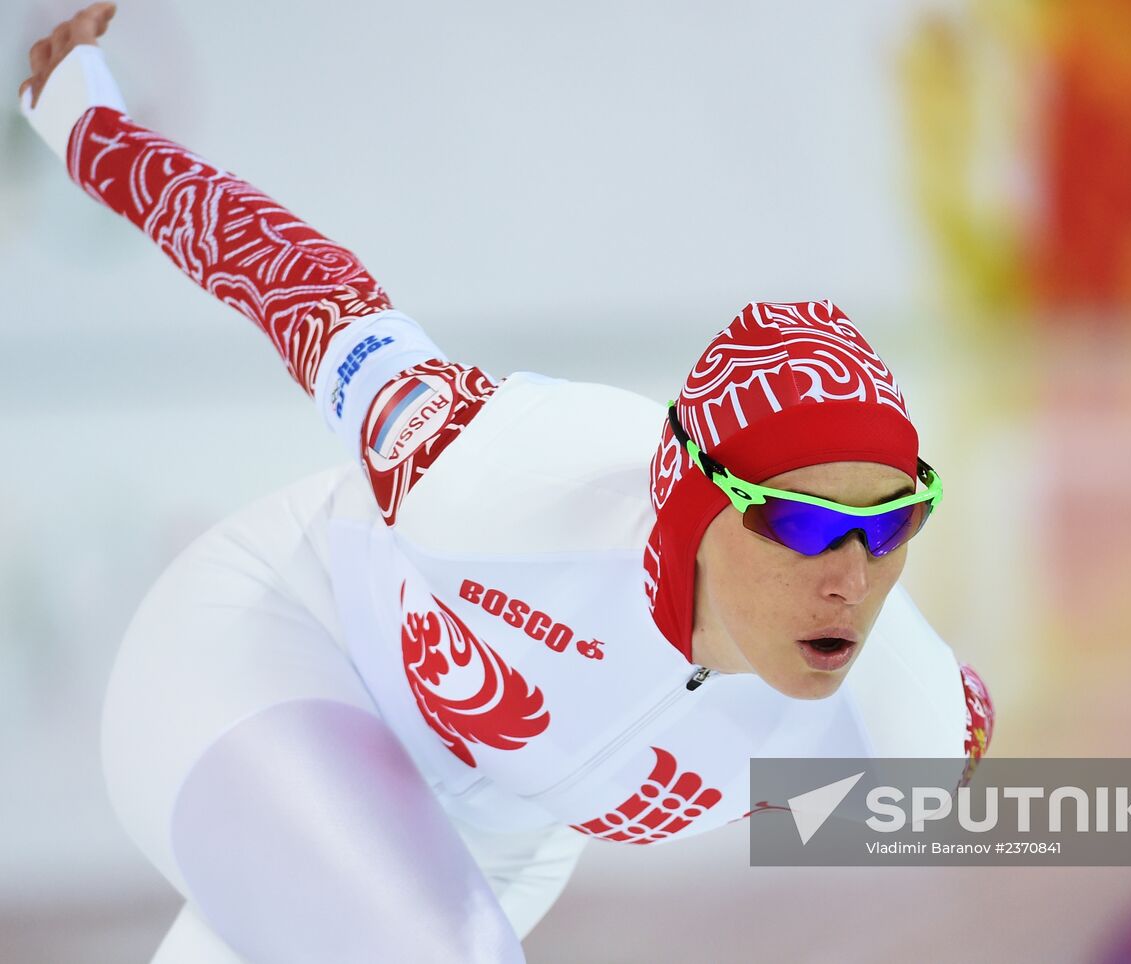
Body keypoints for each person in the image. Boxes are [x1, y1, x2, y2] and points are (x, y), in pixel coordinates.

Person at [20, 5, 995, 962]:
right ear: (689, 502)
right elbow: (299, 288)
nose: (852, 578)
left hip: (489, 846)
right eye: (801, 521)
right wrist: (92, 131)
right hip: (267, 654)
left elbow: (1014, 761)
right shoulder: (496, 476)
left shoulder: (900, 720)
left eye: (894, 521)